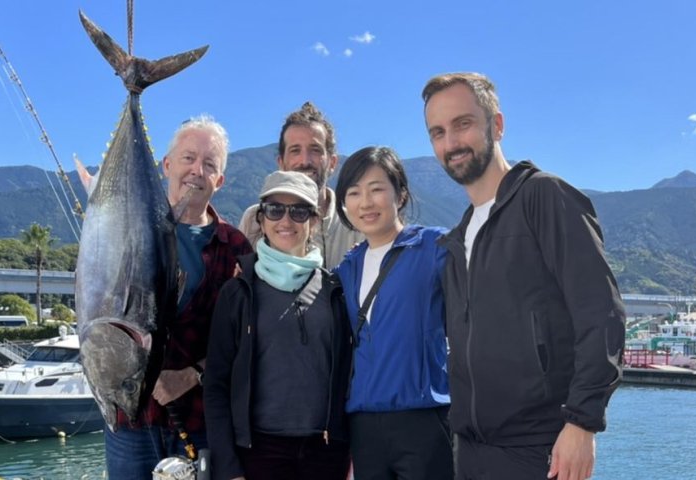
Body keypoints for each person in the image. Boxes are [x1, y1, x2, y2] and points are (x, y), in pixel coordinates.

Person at [421, 72, 626, 480]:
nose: (451, 143)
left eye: (463, 124)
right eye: (438, 132)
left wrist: (582, 423)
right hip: (471, 450)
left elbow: (601, 313)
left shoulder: (544, 197)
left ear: (496, 125)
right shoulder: (458, 236)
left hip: (540, 448)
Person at [103, 115, 254, 479]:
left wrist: (191, 374)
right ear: (167, 165)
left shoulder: (236, 248)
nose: (196, 170)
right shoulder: (125, 232)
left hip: (201, 420)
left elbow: (246, 341)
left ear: (220, 180)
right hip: (129, 418)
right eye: (188, 158)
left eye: (209, 164)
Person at [204, 171, 353, 480]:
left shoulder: (336, 290)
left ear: (314, 221)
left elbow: (351, 378)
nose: (286, 220)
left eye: (299, 211)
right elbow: (216, 385)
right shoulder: (238, 292)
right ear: (261, 219)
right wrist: (229, 467)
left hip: (326, 454)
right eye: (275, 209)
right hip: (258, 453)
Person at [332, 146, 453, 480]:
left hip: (423, 418)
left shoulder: (434, 247)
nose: (365, 203)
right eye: (353, 193)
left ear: (400, 194)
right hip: (364, 424)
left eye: (376, 189)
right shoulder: (347, 267)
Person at [238, 101, 364, 268]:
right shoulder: (253, 220)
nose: (304, 161)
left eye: (315, 150)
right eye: (295, 150)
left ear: (332, 163)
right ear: (281, 163)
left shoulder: (357, 226)